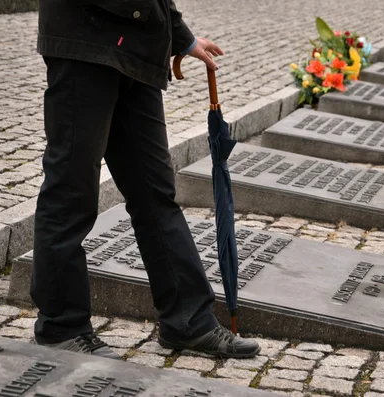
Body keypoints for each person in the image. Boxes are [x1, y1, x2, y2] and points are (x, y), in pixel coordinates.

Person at [30, 0, 261, 359]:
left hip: (137, 54)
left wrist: (180, 36)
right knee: (71, 191)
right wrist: (146, 16)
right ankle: (61, 326)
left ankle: (188, 321)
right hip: (86, 45)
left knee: (155, 193)